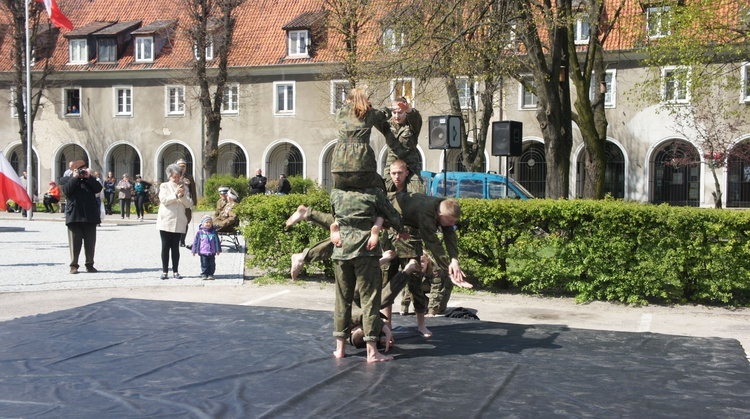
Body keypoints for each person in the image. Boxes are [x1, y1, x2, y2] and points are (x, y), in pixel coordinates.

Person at [329, 187, 402, 363]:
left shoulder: (336, 192)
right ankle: (372, 351)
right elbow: (395, 217)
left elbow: (334, 215)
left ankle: (339, 348)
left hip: (341, 249)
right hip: (366, 249)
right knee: (369, 300)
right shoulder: (373, 193)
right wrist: (380, 223)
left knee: (342, 299)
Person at [60, 160, 102, 274]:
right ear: (73, 170)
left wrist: (89, 177)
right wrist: (74, 177)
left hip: (90, 216)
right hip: (74, 216)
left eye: (84, 169)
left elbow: (98, 188)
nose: (82, 171)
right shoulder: (67, 180)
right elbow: (66, 191)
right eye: (80, 169)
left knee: (90, 243)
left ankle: (90, 264)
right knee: (75, 243)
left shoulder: (89, 180)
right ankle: (73, 265)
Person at [156, 163, 193, 280]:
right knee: (165, 246)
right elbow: (164, 200)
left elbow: (189, 204)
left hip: (179, 220)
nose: (176, 179)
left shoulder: (184, 187)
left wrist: (182, 196)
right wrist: (176, 195)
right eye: (174, 177)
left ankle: (176, 271)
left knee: (175, 247)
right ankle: (165, 271)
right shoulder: (164, 186)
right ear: (169, 176)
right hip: (166, 220)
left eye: (178, 177)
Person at [384, 97, 424, 193]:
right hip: (392, 165)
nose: (397, 116)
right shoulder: (387, 125)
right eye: (394, 112)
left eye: (400, 112)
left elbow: (416, 118)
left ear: (405, 112)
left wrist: (409, 109)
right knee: (387, 190)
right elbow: (376, 119)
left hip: (411, 166)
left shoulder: (412, 125)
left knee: (417, 193)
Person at [192, 215, 221, 280]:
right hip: (203, 252)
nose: (208, 224)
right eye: (206, 222)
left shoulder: (213, 232)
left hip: (212, 252)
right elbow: (196, 242)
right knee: (204, 264)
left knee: (212, 264)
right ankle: (204, 274)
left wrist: (218, 250)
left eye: (210, 222)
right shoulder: (200, 232)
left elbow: (217, 241)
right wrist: (194, 251)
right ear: (202, 223)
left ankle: (210, 274)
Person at [176, 159, 197, 247]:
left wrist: (194, 202)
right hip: (177, 202)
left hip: (187, 202)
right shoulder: (174, 176)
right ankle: (177, 239)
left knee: (186, 221)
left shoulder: (189, 177)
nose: (182, 168)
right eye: (180, 166)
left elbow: (193, 190)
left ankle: (182, 240)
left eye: (183, 166)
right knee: (178, 221)